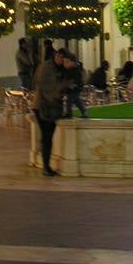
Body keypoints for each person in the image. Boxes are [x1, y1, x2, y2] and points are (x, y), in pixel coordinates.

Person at [32, 47, 67, 176]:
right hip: (43, 106)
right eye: (60, 57)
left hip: (51, 107)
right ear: (56, 56)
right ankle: (46, 167)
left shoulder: (58, 68)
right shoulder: (46, 68)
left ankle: (46, 165)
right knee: (47, 136)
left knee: (48, 136)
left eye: (63, 58)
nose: (62, 60)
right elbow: (49, 88)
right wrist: (63, 87)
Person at [62, 52, 88, 119]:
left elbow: (77, 79)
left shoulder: (76, 70)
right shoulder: (68, 70)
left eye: (67, 62)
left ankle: (69, 113)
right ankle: (84, 112)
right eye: (64, 62)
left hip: (75, 88)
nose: (65, 64)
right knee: (77, 100)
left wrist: (72, 85)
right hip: (71, 88)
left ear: (73, 62)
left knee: (69, 100)